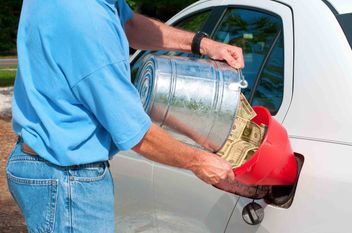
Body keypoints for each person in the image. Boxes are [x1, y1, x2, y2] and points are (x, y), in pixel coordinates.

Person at [6, 0, 245, 232]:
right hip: (68, 180)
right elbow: (134, 131)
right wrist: (199, 161)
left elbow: (129, 24)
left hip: (45, 163)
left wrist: (203, 45)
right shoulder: (88, 25)